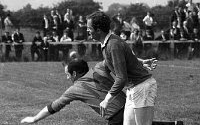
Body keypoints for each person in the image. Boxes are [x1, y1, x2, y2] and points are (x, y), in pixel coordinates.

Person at [21, 56, 157, 125]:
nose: (67, 77)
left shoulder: (74, 89)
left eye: (67, 74)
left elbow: (53, 106)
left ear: (74, 74)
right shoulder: (100, 68)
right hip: (130, 104)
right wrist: (141, 62)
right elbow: (118, 58)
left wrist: (34, 119)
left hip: (115, 117)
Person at [86, 11, 157, 125]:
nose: (87, 30)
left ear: (98, 30)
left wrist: (106, 100)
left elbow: (121, 78)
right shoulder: (108, 42)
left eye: (89, 28)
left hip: (142, 87)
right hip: (133, 88)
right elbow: (125, 58)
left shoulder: (113, 45)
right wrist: (141, 63)